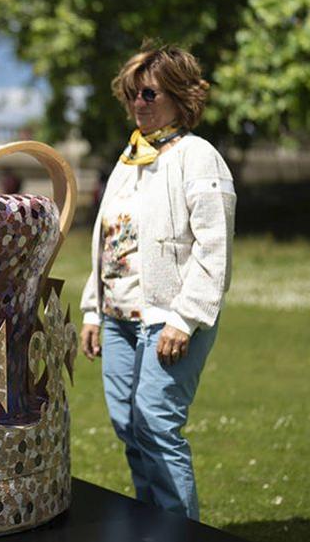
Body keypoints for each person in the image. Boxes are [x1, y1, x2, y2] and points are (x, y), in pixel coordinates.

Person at [79, 44, 236, 520]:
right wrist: (92, 309)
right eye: (131, 94)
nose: (138, 104)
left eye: (149, 93)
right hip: (118, 319)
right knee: (128, 424)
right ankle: (151, 525)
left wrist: (184, 319)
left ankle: (178, 529)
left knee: (155, 423)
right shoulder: (128, 160)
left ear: (180, 96)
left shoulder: (198, 156)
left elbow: (215, 247)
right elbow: (109, 241)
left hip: (168, 319)